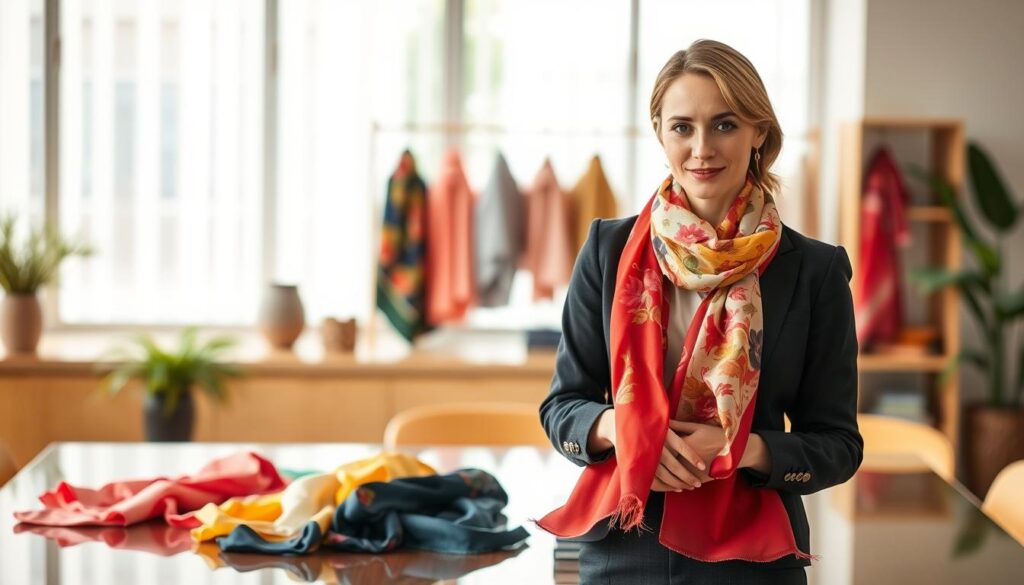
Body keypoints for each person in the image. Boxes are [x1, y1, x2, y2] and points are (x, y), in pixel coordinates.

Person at [536, 39, 863, 584]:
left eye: (725, 124)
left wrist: (744, 449)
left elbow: (838, 443)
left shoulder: (816, 271)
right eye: (682, 127)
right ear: (661, 133)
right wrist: (622, 427)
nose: (702, 148)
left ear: (760, 132)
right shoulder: (607, 250)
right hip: (623, 541)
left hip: (751, 555)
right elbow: (563, 405)